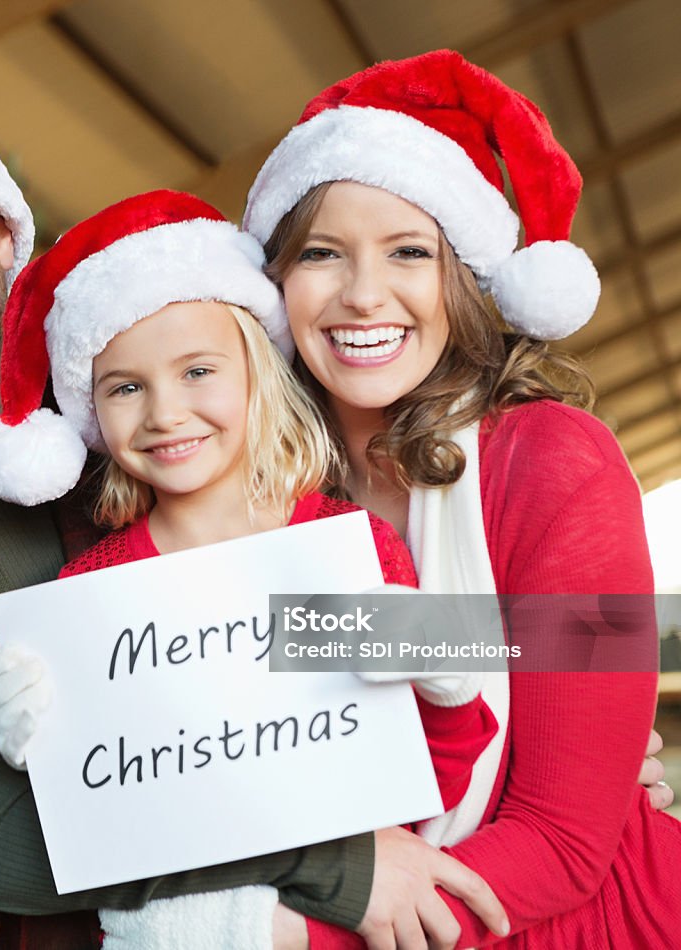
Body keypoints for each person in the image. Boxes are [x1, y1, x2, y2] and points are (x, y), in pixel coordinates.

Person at [0, 44, 508, 950]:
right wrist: (331, 868)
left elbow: (411, 607)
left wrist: (579, 726)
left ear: (3, 236)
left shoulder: (160, 423)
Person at [241, 49, 681, 947]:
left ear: (468, 284)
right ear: (277, 286)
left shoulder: (555, 460)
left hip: (563, 919)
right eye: (322, 253)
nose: (365, 295)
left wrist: (276, 935)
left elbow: (563, 839)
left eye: (411, 252)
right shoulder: (252, 492)